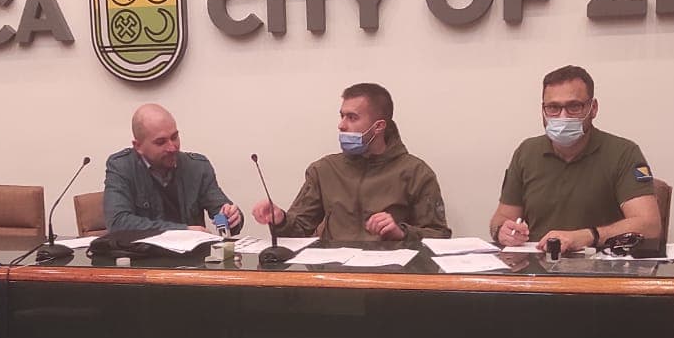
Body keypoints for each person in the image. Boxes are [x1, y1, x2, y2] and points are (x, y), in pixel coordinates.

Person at [488, 64, 661, 250]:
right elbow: (501, 218)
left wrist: (589, 236)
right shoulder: (527, 152)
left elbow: (650, 226)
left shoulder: (623, 153)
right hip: (538, 261)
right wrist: (502, 231)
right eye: (553, 107)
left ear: (593, 108)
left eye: (574, 106)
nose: (563, 116)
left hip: (600, 261)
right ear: (542, 110)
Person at [252, 83, 450, 242]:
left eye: (352, 118)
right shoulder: (324, 170)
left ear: (378, 127)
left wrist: (402, 232)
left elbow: (440, 235)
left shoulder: (415, 172)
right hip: (333, 273)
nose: (341, 125)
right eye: (342, 116)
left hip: (391, 274)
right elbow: (299, 231)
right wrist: (280, 219)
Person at [102, 103, 242, 234]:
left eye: (174, 137)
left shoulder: (197, 167)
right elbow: (118, 223)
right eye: (160, 142)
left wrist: (230, 218)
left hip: (192, 252)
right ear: (138, 146)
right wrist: (183, 231)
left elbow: (219, 212)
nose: (172, 147)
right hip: (142, 251)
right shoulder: (122, 167)